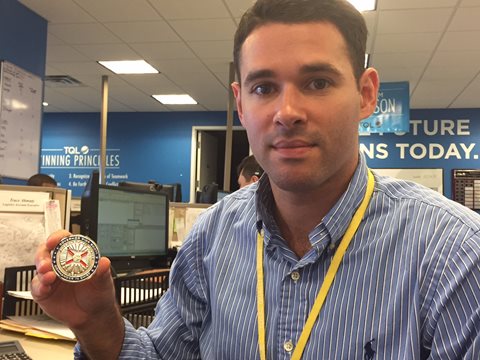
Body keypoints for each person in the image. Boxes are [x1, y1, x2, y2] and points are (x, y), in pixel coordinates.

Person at [32, 0, 480, 359]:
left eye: (319, 82)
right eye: (264, 88)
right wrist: (97, 323)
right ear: (241, 104)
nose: (287, 113)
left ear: (365, 94)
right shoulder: (212, 236)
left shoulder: (454, 256)